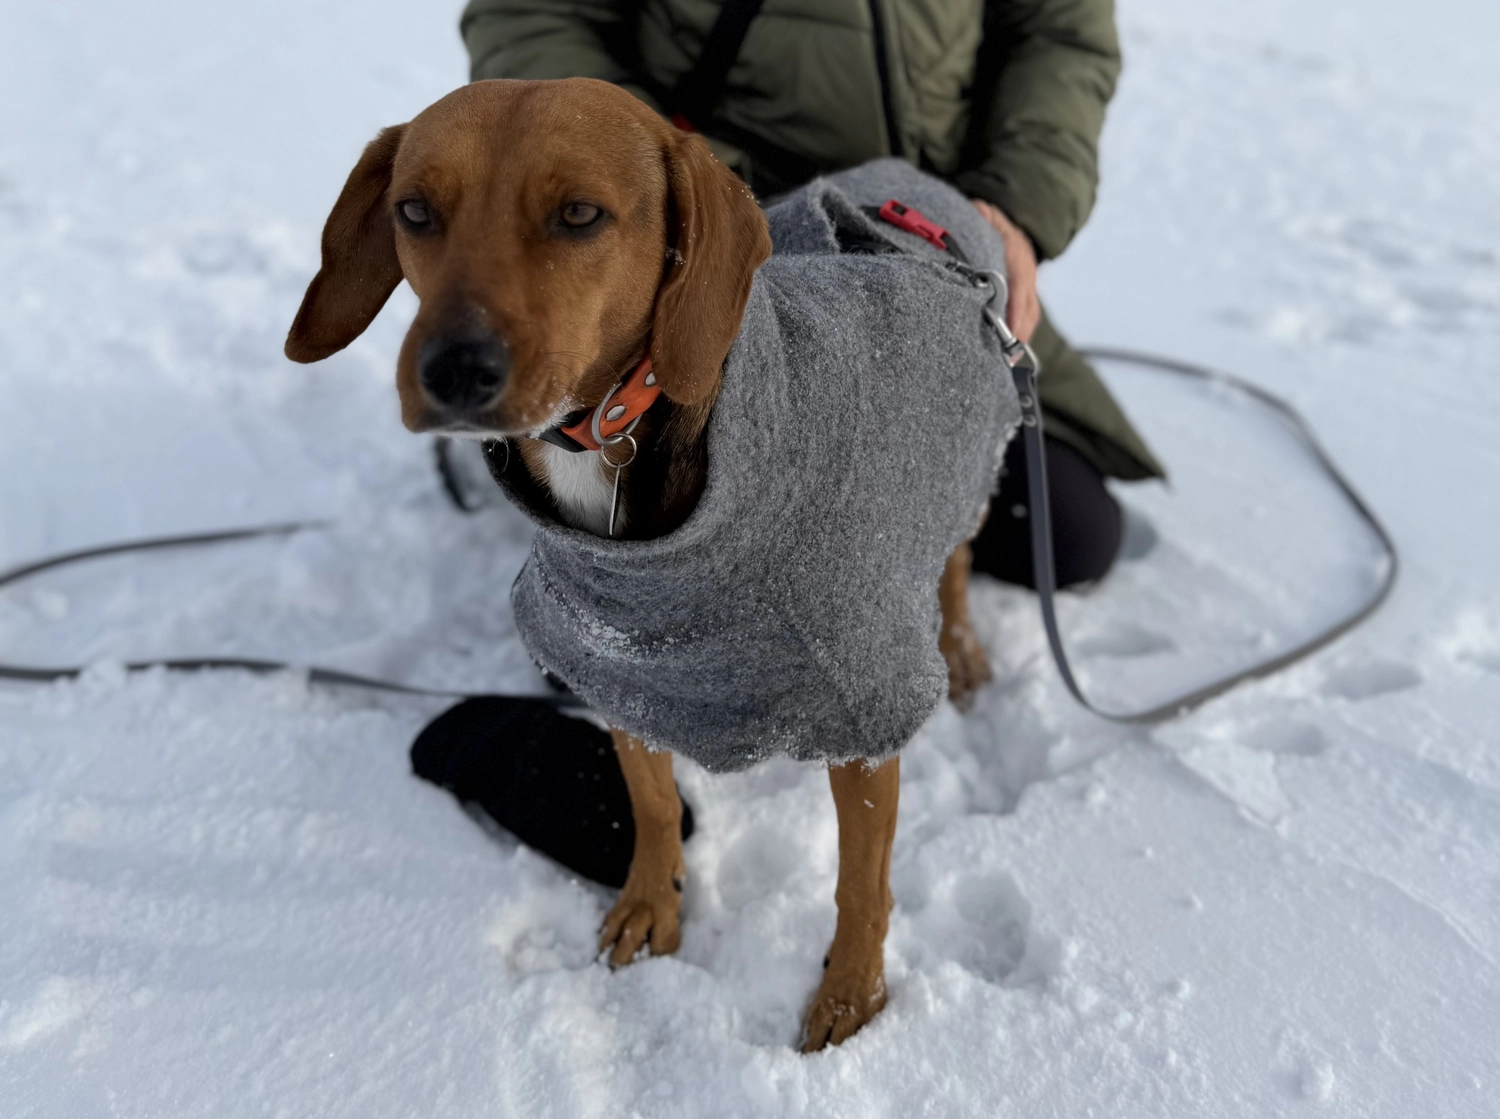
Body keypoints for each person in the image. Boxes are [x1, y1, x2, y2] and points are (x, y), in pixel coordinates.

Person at [459, 0, 1164, 587]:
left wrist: (1012, 205)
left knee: (1065, 538)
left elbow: (1058, 29)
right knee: (638, 608)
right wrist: (671, 183)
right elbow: (529, 13)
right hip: (703, 235)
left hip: (914, 244)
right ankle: (516, 404)